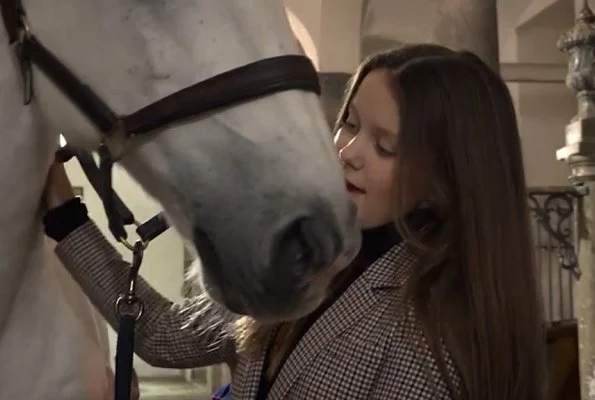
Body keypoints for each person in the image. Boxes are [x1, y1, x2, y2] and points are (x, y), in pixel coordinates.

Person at [43, 43, 546, 400]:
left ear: (447, 177)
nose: (348, 152)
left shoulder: (433, 333)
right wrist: (66, 217)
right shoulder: (311, 250)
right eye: (348, 123)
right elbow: (167, 336)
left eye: (385, 145)